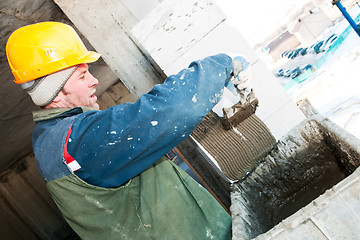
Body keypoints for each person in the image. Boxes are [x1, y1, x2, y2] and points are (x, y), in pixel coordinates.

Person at [6, 21, 245, 240]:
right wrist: (224, 64)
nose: (94, 80)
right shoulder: (77, 142)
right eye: (82, 75)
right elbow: (171, 110)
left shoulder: (52, 141)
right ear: (56, 91)